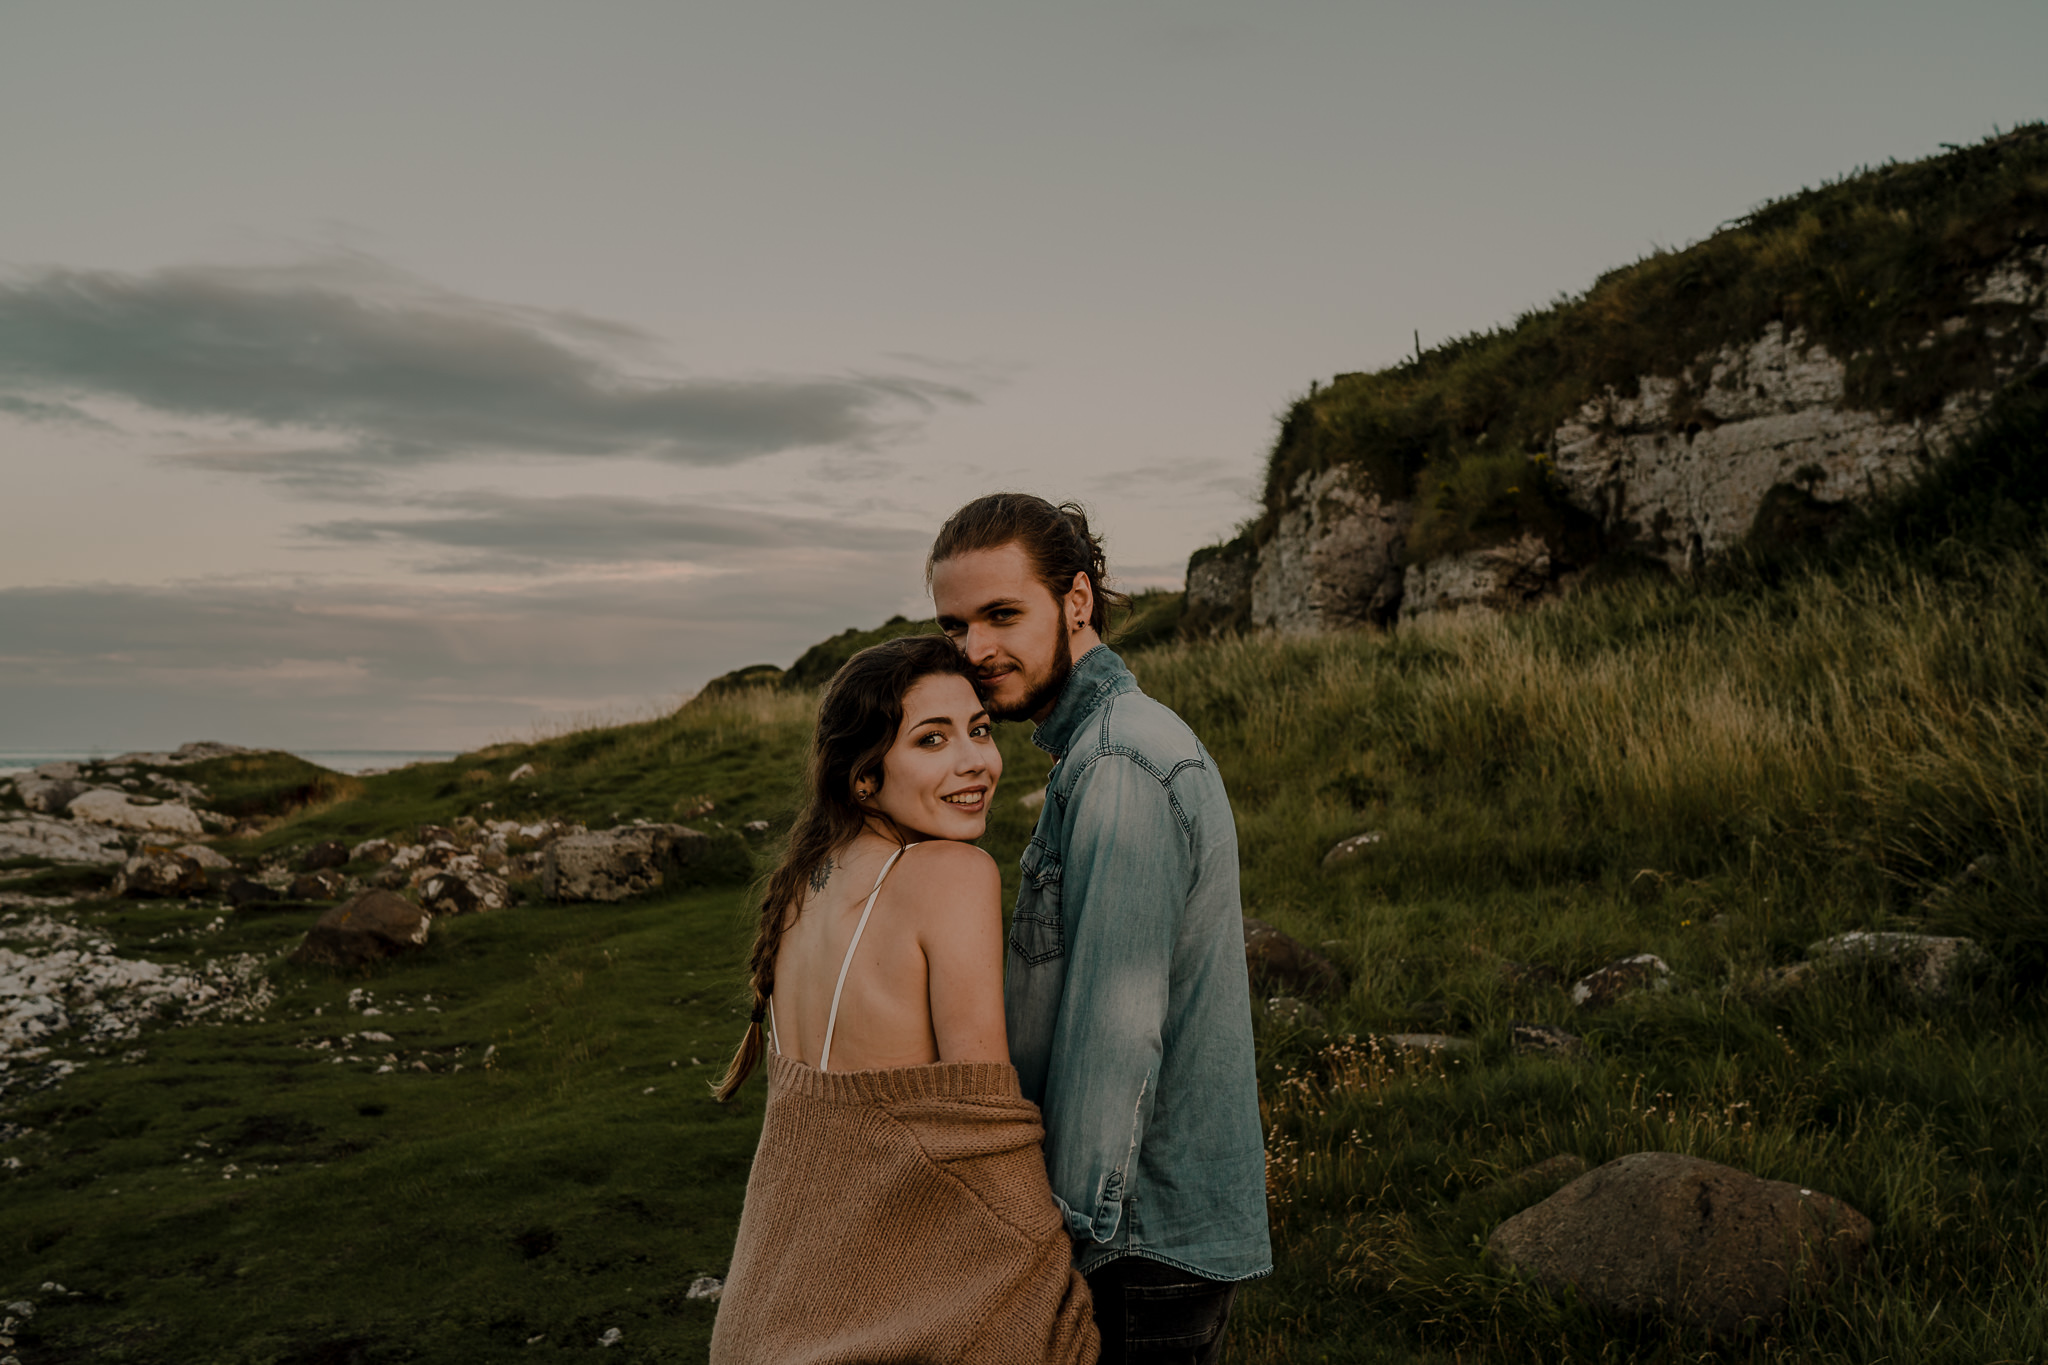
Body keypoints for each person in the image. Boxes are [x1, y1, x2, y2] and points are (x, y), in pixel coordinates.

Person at [928, 494, 1271, 1365]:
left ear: (1077, 601)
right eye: (955, 624)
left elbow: (1116, 1040)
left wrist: (1054, 1250)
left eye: (1003, 614)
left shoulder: (1120, 765)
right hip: (1136, 1234)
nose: (974, 650)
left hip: (1129, 1245)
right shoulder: (1099, 748)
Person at [708, 633, 1099, 1365]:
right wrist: (1055, 1290)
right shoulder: (952, 873)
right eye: (932, 738)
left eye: (978, 729)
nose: (974, 761)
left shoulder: (804, 882)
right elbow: (984, 1137)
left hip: (762, 1322)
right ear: (864, 777)